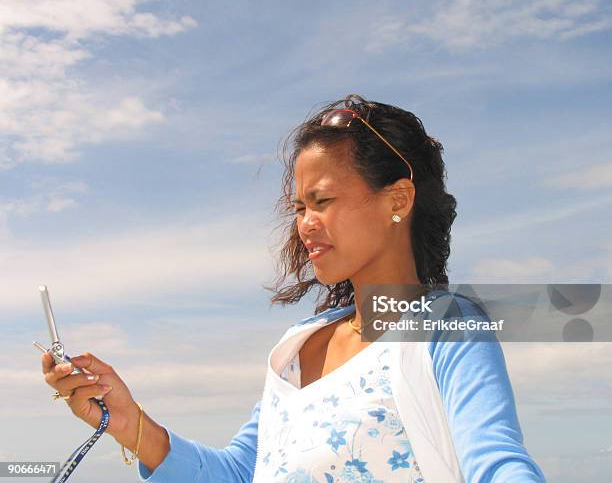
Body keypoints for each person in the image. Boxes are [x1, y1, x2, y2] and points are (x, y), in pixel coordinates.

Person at [41, 94, 547, 482]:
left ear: (398, 199)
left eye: (322, 201)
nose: (305, 224)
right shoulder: (297, 347)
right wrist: (127, 420)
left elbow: (496, 461)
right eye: (299, 208)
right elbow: (242, 472)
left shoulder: (445, 325)